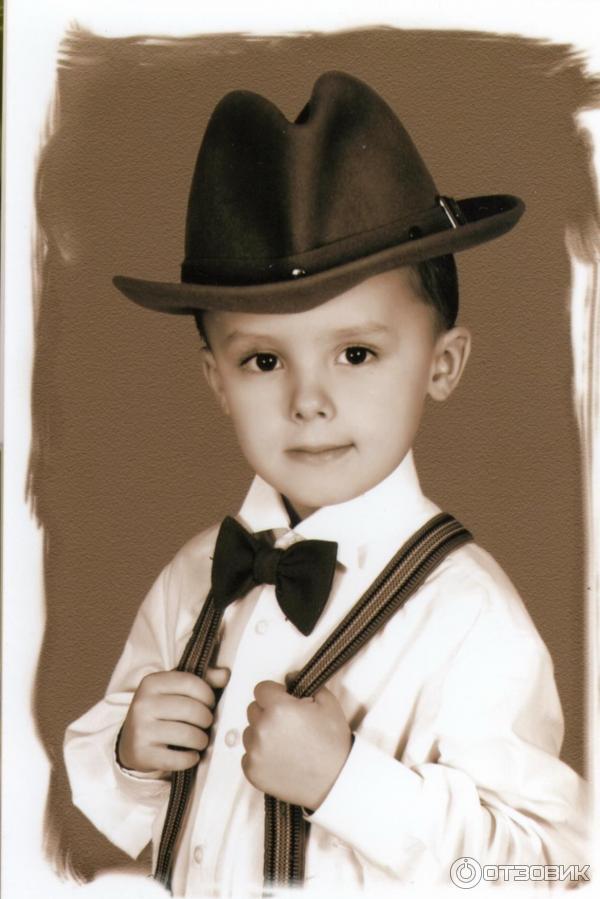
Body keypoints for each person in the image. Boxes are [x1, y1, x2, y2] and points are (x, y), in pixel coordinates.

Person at [63, 71, 589, 897]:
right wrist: (132, 753)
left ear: (442, 364)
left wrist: (349, 784)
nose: (309, 400)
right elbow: (139, 809)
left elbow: (554, 869)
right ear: (216, 379)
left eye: (356, 353)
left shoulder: (470, 617)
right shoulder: (194, 576)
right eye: (263, 360)